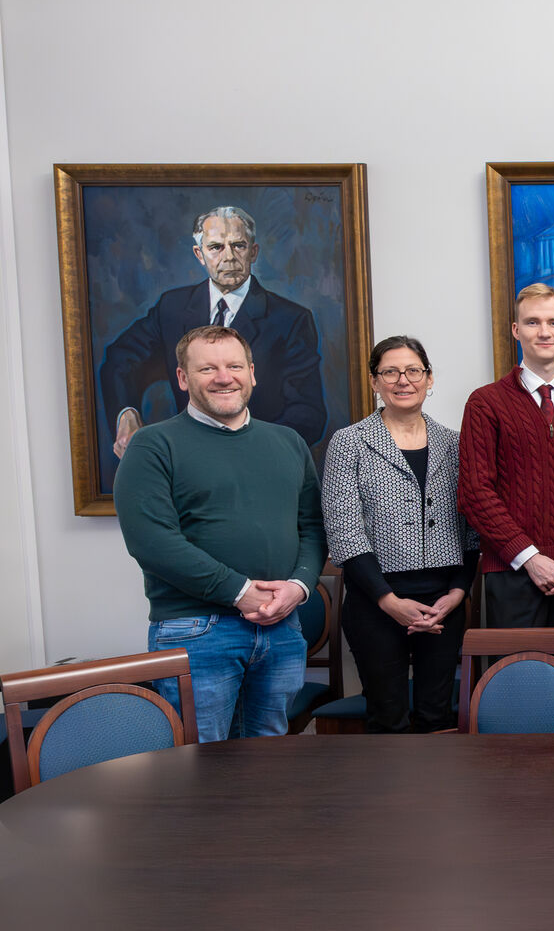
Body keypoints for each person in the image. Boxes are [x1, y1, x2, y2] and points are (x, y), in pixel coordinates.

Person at [111, 326, 321, 742]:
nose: (224, 377)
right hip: (196, 630)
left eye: (234, 366)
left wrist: (298, 587)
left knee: (270, 767)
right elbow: (152, 542)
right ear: (183, 379)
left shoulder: (288, 442)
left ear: (252, 373)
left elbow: (313, 528)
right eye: (207, 368)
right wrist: (241, 591)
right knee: (199, 770)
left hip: (282, 627)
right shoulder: (152, 445)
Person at [319, 336, 478, 733]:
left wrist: (457, 593)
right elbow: (344, 531)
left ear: (429, 379)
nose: (402, 380)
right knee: (388, 718)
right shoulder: (348, 442)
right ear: (375, 382)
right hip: (376, 600)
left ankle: (438, 798)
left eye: (413, 371)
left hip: (445, 601)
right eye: (390, 371)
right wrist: (389, 601)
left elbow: (473, 526)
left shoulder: (455, 443)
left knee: (437, 716)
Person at [99, 206, 327, 462]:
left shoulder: (290, 319)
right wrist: (126, 415)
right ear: (200, 254)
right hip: (185, 462)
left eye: (238, 245)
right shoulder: (171, 308)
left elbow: (308, 414)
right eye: (216, 247)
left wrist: (244, 451)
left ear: (253, 252)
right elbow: (119, 361)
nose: (228, 257)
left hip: (257, 462)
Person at [458, 284, 554, 630]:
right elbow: (475, 493)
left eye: (553, 323)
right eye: (533, 323)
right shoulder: (485, 403)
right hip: (511, 570)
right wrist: (530, 558)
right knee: (516, 680)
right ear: (517, 331)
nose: (544, 331)